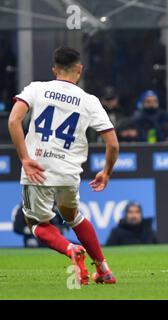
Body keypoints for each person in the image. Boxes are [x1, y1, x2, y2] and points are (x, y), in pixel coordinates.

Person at [8, 46, 119, 285]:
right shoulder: (89, 101)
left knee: (36, 223)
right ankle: (104, 269)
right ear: (79, 69)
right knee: (73, 216)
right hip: (69, 172)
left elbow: (14, 120)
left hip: (38, 168)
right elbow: (113, 144)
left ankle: (71, 249)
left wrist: (25, 159)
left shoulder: (36, 89)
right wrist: (106, 172)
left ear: (54, 69)